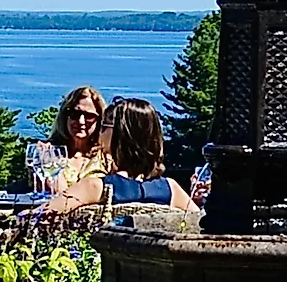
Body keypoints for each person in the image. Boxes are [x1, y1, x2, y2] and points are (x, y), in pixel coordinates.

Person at [43, 99, 197, 216]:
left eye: (103, 127)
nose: (99, 133)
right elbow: (200, 222)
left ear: (118, 135)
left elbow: (39, 217)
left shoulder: (95, 187)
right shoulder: (171, 189)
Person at [47, 86, 110, 190]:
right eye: (75, 114)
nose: (81, 121)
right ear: (65, 116)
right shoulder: (50, 152)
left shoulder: (107, 156)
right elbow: (56, 192)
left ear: (100, 120)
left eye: (89, 116)